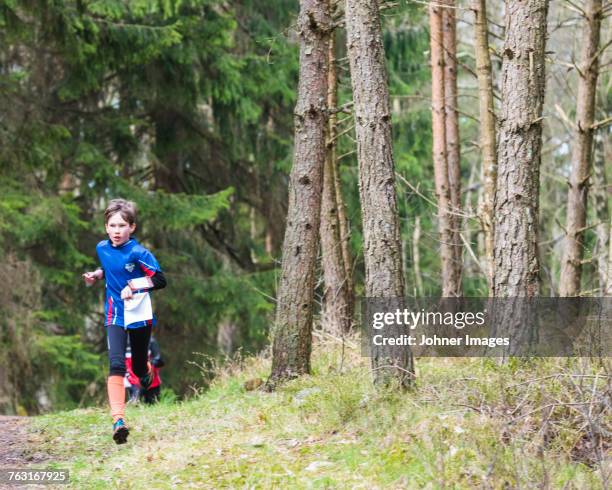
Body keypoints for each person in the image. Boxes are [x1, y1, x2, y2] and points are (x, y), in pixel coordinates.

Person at [83, 199, 167, 444]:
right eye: (112, 225)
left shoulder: (139, 253)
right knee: (116, 364)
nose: (117, 231)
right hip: (115, 313)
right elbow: (110, 267)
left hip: (139, 314)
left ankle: (147, 370)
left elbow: (160, 280)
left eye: (122, 225)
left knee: (139, 368)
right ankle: (118, 420)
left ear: (132, 227)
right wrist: (97, 274)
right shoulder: (102, 248)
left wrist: (135, 285)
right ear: (106, 227)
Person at [125, 337, 165, 404]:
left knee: (153, 406)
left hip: (152, 383)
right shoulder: (123, 342)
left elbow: (159, 360)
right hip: (132, 383)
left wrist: (151, 363)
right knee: (135, 407)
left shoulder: (150, 340)